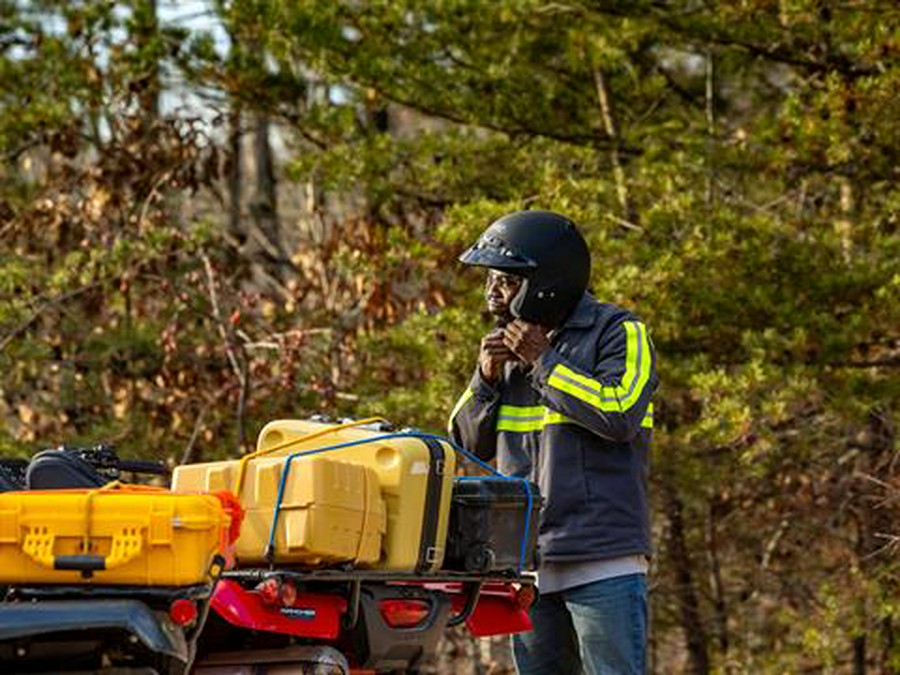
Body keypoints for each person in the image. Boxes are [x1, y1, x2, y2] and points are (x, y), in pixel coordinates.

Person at [448, 210, 657, 675]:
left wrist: (543, 362)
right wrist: (485, 379)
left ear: (547, 283)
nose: (493, 293)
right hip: (528, 567)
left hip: (603, 560)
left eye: (507, 281)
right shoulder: (506, 347)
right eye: (490, 280)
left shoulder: (619, 332)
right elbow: (462, 444)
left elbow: (619, 412)